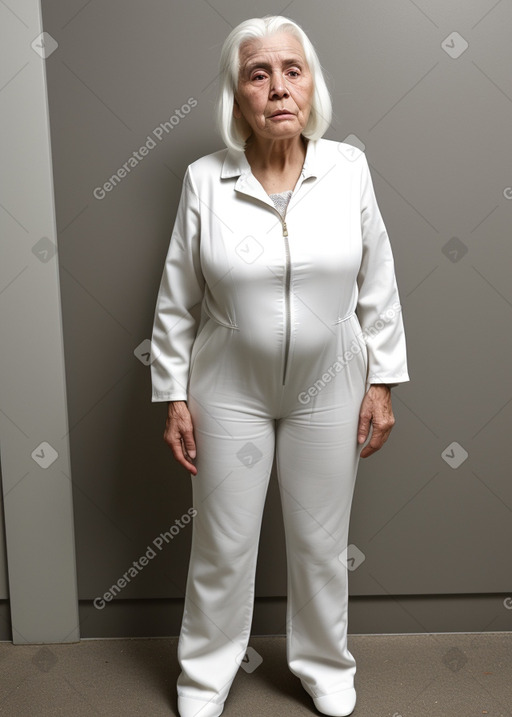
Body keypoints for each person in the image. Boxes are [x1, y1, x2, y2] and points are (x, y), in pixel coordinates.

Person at [150, 14, 410, 717]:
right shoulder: (204, 181)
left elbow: (378, 282)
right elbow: (177, 296)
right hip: (227, 386)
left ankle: (325, 664)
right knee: (222, 543)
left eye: (291, 70)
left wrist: (382, 382)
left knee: (322, 543)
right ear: (237, 97)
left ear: (312, 84)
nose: (277, 88)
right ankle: (205, 675)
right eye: (258, 74)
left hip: (331, 386)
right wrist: (172, 393)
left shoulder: (348, 168)